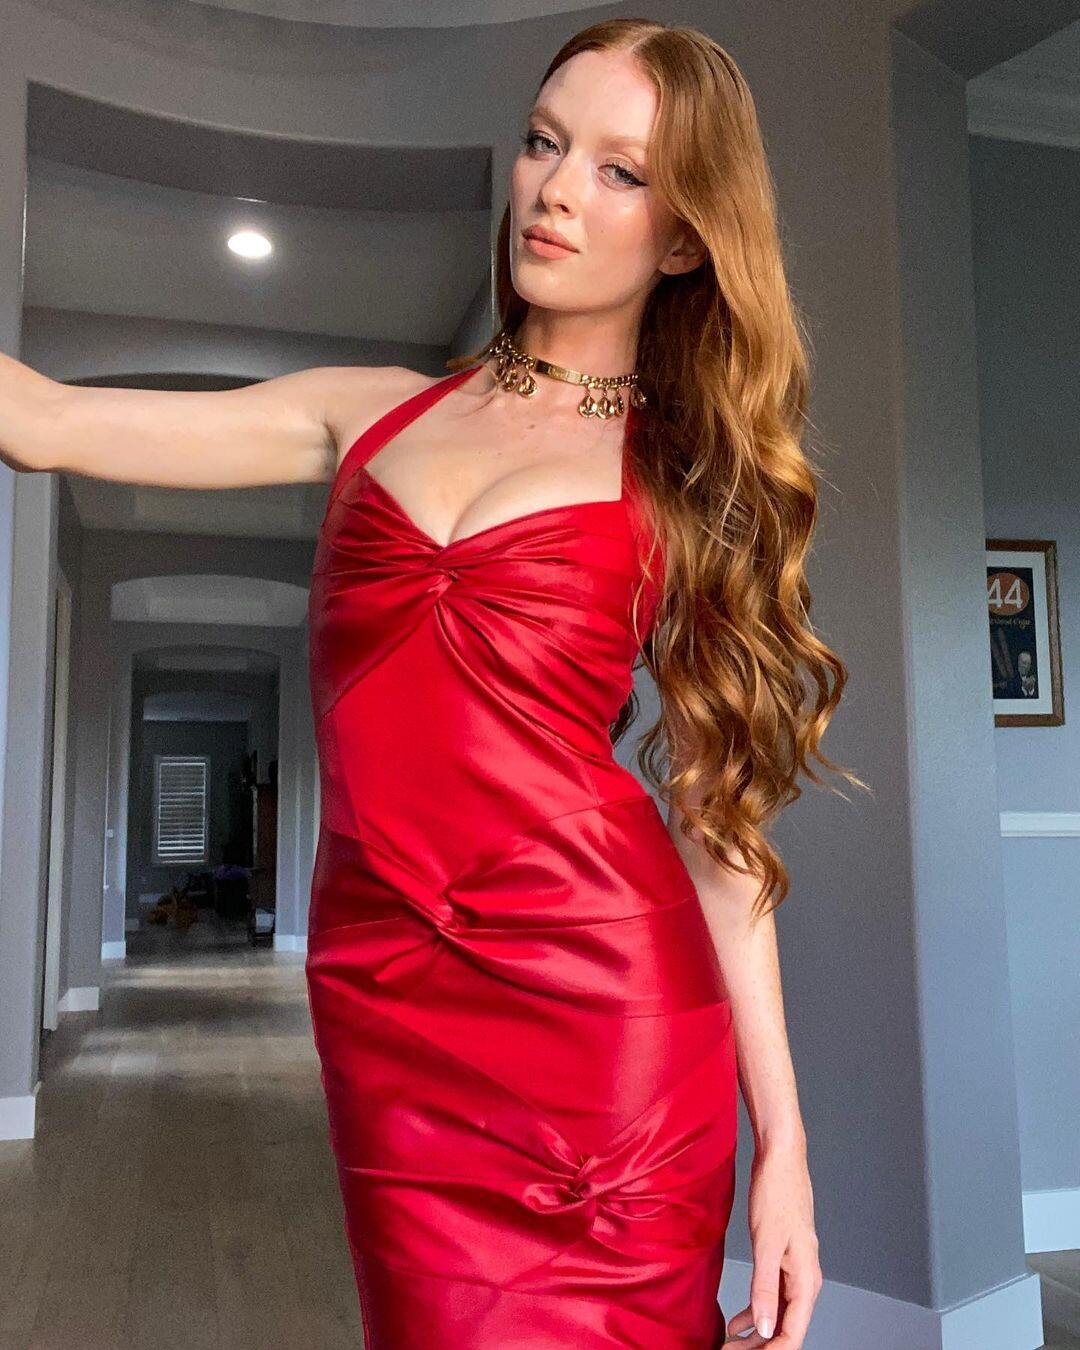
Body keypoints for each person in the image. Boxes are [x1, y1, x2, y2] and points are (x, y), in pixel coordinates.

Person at [0, 17, 862, 1348]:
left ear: (687, 239)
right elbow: (41, 419)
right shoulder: (366, 410)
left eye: (620, 171)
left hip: (606, 1009)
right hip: (387, 1005)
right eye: (543, 143)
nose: (556, 190)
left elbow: (720, 830)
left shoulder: (684, 487)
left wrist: (786, 1145)